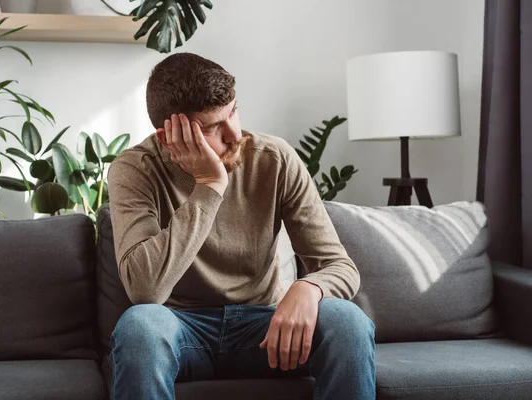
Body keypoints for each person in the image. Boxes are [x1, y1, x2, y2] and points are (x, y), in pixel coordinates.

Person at [107, 52, 375, 400]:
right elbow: (145, 291)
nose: (234, 133)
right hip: (181, 329)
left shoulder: (274, 158)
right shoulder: (136, 170)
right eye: (212, 127)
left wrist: (309, 288)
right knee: (140, 327)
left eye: (233, 111)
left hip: (266, 328)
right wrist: (209, 186)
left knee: (347, 322)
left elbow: (339, 266)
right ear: (167, 137)